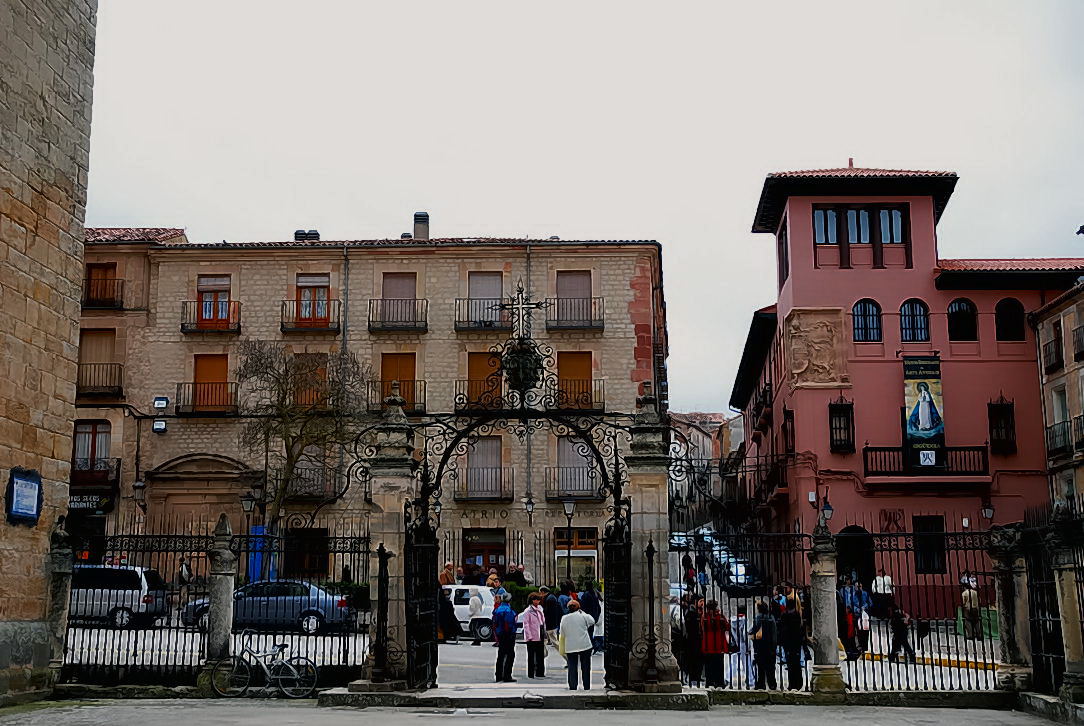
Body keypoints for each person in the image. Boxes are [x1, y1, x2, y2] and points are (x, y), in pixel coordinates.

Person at [559, 600, 595, 690]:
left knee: (572, 666)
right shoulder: (583, 616)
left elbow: (562, 632)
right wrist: (581, 611)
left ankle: (573, 685)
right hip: (585, 644)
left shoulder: (564, 618)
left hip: (570, 646)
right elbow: (592, 621)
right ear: (579, 608)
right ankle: (586, 686)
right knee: (586, 667)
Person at [699, 599, 730, 688]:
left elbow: (701, 629)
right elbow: (727, 627)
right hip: (718, 644)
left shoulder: (704, 617)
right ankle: (719, 682)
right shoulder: (720, 616)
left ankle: (709, 682)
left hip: (708, 644)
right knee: (719, 664)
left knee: (709, 665)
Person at [749, 600, 778, 690]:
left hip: (760, 646)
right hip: (770, 646)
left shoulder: (758, 617)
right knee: (770, 668)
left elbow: (752, 630)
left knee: (761, 668)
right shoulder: (771, 617)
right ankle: (772, 684)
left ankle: (761, 685)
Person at [778, 598, 805, 690]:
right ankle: (799, 682)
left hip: (788, 642)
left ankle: (792, 683)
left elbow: (782, 629)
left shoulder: (784, 614)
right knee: (796, 662)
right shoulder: (797, 614)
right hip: (796, 641)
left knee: (790, 663)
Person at [492, 592, 518, 682]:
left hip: (500, 634)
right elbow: (509, 624)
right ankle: (507, 675)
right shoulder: (509, 611)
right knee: (510, 655)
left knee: (501, 654)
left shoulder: (497, 609)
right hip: (508, 635)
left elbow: (495, 623)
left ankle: (498, 675)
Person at [729, 603, 754, 688]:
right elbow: (744, 634)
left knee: (733, 661)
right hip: (743, 643)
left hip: (735, 642)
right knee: (746, 661)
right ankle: (750, 679)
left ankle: (728, 678)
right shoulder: (744, 620)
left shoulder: (732, 620)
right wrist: (749, 645)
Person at [522, 593, 547, 678]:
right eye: (535, 600)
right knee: (531, 655)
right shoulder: (528, 611)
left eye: (538, 600)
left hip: (540, 632)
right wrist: (529, 636)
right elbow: (526, 624)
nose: (537, 601)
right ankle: (531, 673)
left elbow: (543, 621)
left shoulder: (540, 608)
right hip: (532, 635)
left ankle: (540, 672)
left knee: (540, 654)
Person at [683, 597, 704, 687]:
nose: (702, 603)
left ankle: (698, 677)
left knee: (699, 659)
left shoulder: (702, 612)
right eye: (700, 601)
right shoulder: (691, 612)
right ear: (696, 602)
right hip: (692, 639)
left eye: (703, 601)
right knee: (692, 659)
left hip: (700, 639)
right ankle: (693, 678)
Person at [541, 586, 562, 652]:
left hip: (550, 623)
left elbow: (548, 612)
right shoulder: (551, 597)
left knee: (554, 641)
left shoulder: (549, 599)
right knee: (552, 639)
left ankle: (565, 655)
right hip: (552, 622)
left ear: (543, 592)